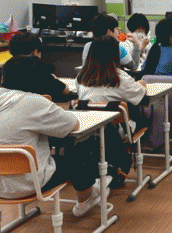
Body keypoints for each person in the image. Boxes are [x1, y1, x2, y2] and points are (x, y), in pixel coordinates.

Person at [0, 57, 105, 217]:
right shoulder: (33, 101)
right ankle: (86, 199)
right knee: (78, 159)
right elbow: (73, 124)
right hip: (30, 184)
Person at [77, 36, 146, 187]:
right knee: (139, 114)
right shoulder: (119, 77)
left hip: (87, 129)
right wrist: (142, 84)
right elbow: (139, 96)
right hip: (116, 130)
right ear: (115, 54)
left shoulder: (81, 77)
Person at [6, 31, 70, 100]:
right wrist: (54, 78)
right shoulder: (36, 66)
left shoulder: (6, 66)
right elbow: (65, 90)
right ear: (36, 51)